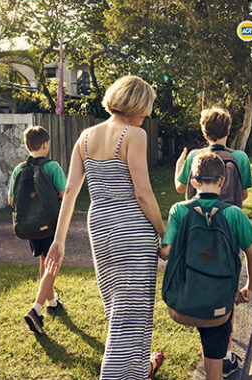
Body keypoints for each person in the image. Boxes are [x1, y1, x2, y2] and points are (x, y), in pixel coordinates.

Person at [45, 75, 167, 379]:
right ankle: (116, 374)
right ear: (134, 104)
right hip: (132, 230)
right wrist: (166, 233)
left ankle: (139, 371)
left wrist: (58, 241)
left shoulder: (85, 137)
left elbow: (70, 192)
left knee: (118, 308)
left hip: (100, 229)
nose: (147, 115)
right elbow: (143, 192)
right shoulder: (133, 135)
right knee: (133, 312)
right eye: (146, 108)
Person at [162, 151, 252, 380]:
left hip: (181, 306)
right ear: (222, 181)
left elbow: (166, 253)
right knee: (215, 348)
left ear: (193, 182)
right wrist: (249, 287)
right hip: (218, 308)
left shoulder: (179, 211)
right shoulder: (234, 214)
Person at [173, 106, 252, 374]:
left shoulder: (196, 155)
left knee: (201, 278)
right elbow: (243, 194)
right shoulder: (239, 157)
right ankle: (226, 354)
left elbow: (181, 188)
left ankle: (208, 339)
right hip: (228, 235)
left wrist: (178, 169)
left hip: (196, 236)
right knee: (226, 289)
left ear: (203, 130)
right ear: (229, 131)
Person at [8, 125, 67, 335]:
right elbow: (64, 194)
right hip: (50, 224)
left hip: (30, 226)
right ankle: (36, 309)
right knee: (53, 262)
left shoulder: (19, 169)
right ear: (45, 144)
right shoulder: (52, 167)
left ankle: (52, 302)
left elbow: (11, 199)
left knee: (44, 260)